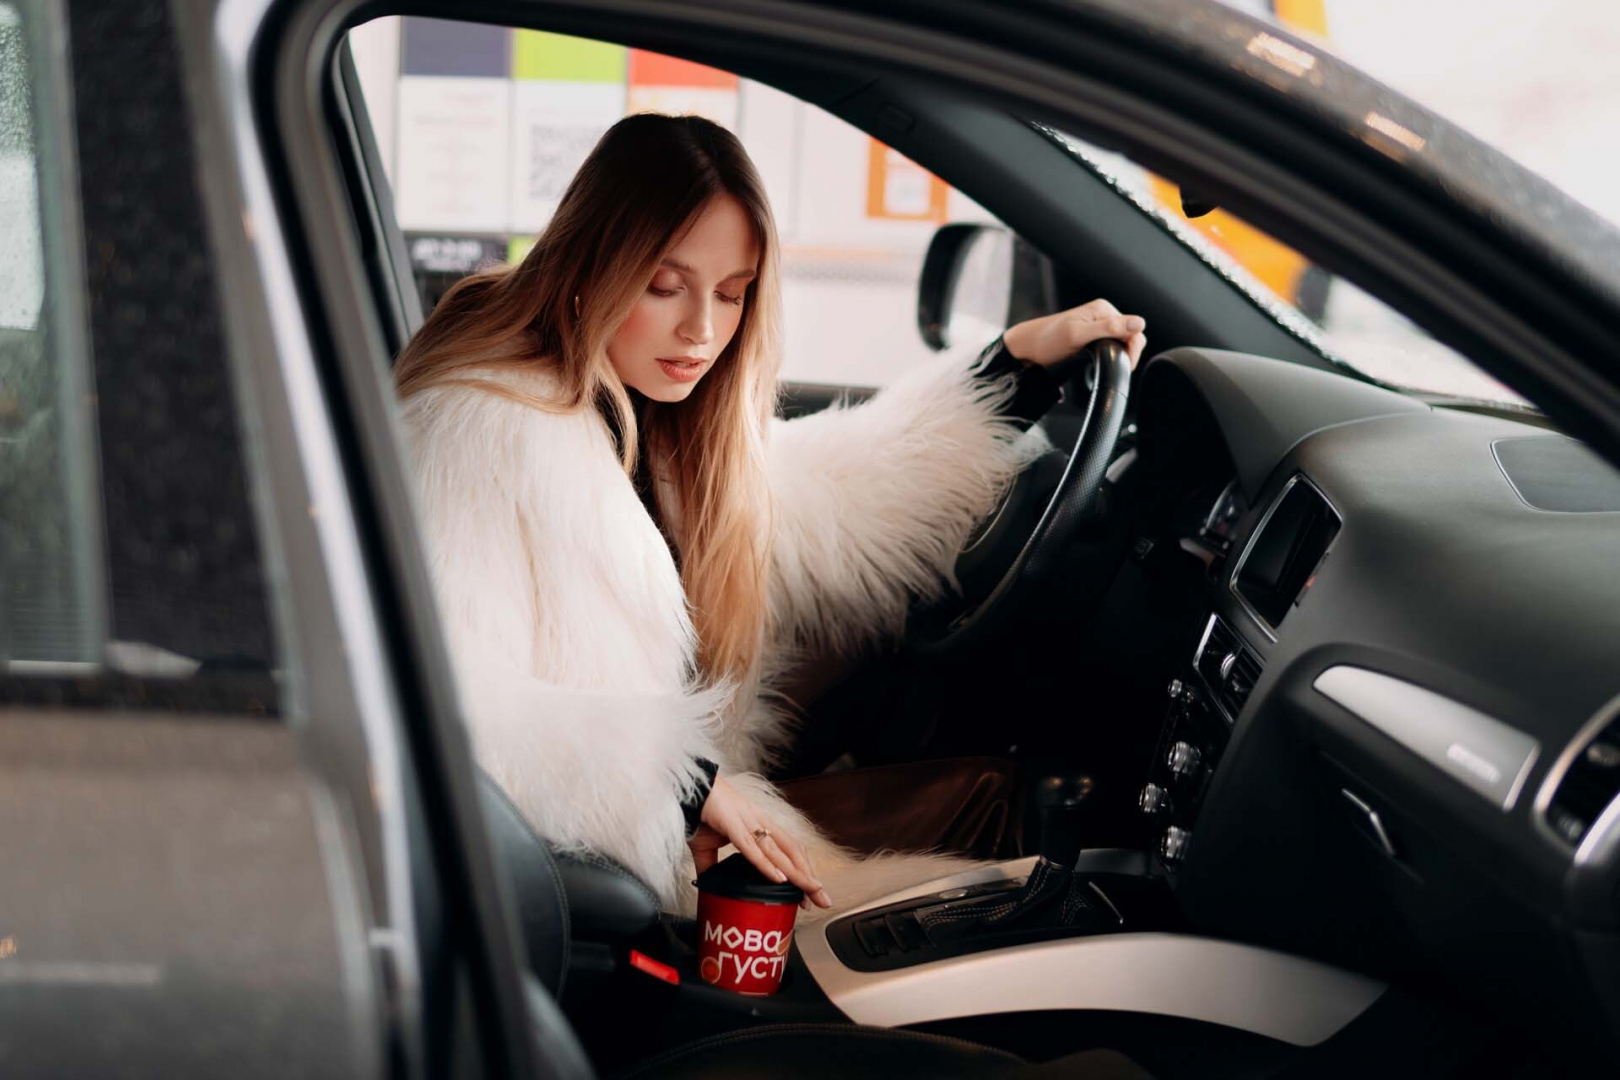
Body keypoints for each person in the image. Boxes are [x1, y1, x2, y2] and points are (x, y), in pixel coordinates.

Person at [395, 113, 1146, 917]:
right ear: (590, 264)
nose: (703, 331)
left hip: (678, 850)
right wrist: (684, 783)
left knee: (1010, 825)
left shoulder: (648, 417)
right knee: (1037, 904)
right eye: (664, 285)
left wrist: (1011, 375)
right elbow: (445, 705)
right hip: (609, 901)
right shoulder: (479, 430)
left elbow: (820, 497)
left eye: (732, 293)